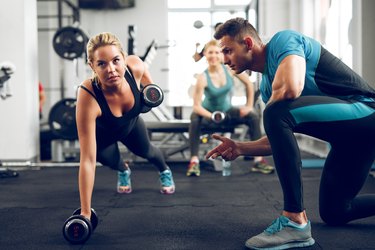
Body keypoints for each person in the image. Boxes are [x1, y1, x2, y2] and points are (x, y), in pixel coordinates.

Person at [206, 17, 375, 249]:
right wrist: (241, 147)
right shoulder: (267, 86)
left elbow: (291, 89)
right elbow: (278, 138)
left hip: (367, 114)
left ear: (247, 43)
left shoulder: (283, 41)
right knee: (336, 212)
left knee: (276, 111)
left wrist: (273, 115)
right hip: (351, 141)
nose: (224, 60)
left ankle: (295, 221)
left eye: (227, 51)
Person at [76, 32, 176, 220]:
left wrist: (147, 96)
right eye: (102, 64)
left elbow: (151, 90)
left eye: (115, 60)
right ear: (92, 66)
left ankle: (164, 170)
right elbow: (87, 160)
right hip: (102, 137)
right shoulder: (88, 94)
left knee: (148, 151)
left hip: (131, 126)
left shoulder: (136, 66)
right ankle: (123, 170)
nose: (111, 69)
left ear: (123, 58)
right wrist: (85, 213)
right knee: (110, 161)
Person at [187, 39, 274, 177]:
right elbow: (197, 106)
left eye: (217, 52)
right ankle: (194, 161)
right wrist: (212, 116)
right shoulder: (202, 77)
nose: (213, 56)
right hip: (208, 114)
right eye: (210, 53)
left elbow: (249, 84)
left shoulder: (229, 70)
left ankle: (258, 160)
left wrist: (249, 105)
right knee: (194, 117)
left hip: (227, 111)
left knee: (253, 116)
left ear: (222, 54)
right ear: (205, 54)